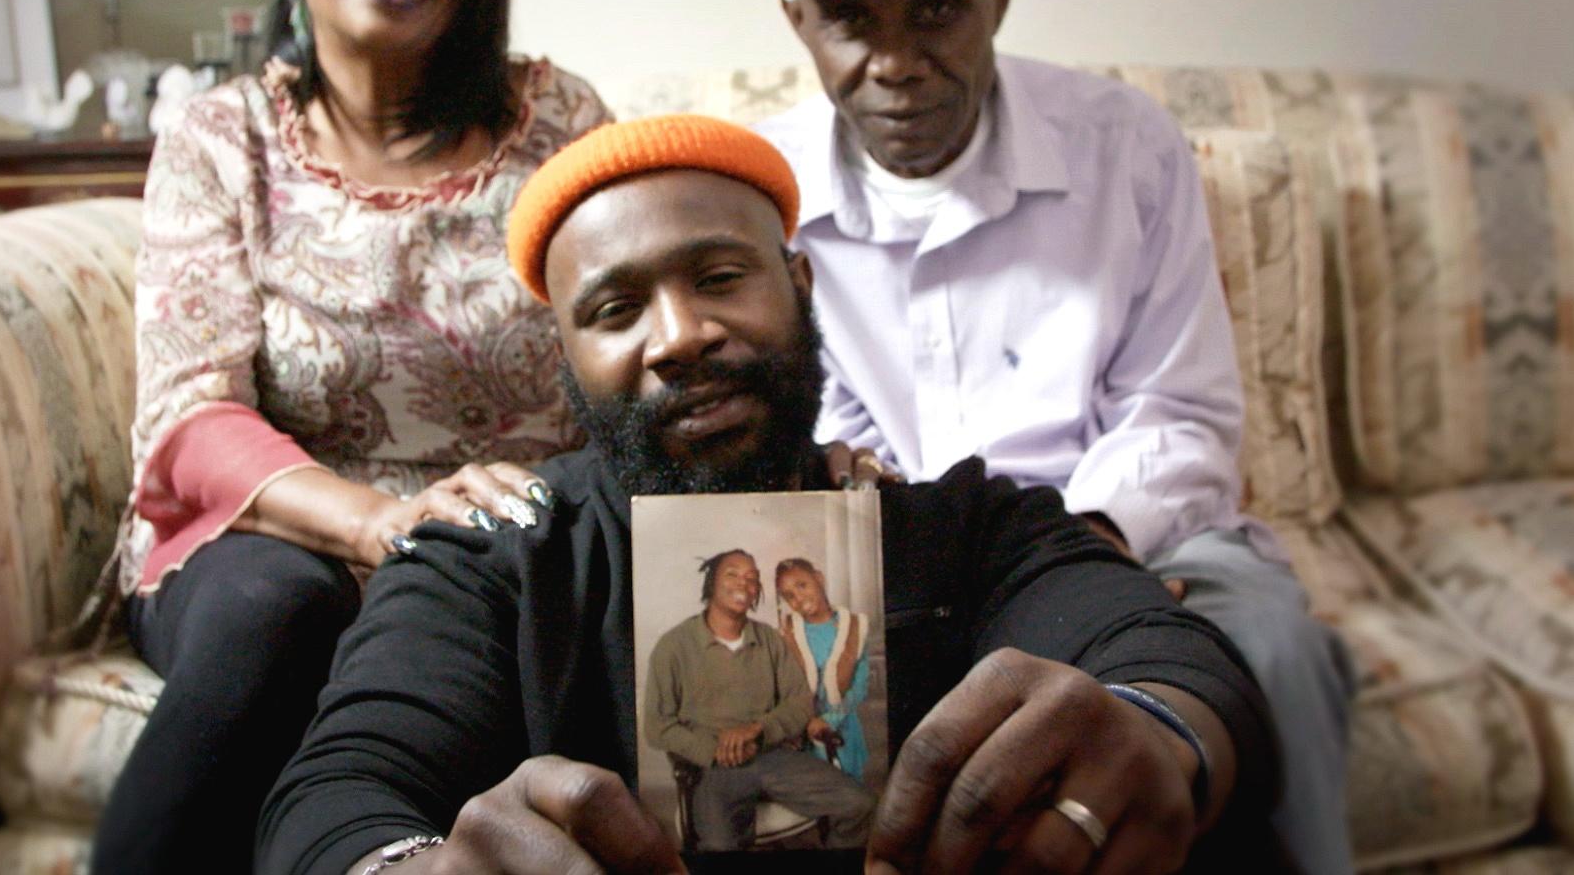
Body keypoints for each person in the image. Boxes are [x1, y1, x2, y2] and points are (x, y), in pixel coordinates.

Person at [258, 115, 1281, 875]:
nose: (679, 336)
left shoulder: (960, 527)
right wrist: (405, 869)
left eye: (718, 276)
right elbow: (338, 793)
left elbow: (1166, 655)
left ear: (799, 285)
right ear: (562, 358)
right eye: (616, 309)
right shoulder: (495, 553)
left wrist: (1156, 730)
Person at [754, 0, 1358, 875]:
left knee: (1273, 654)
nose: (895, 62)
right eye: (852, 18)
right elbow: (812, 434)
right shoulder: (760, 193)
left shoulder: (1124, 147)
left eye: (936, 9)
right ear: (795, 20)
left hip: (1141, 539)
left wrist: (1086, 558)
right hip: (900, 565)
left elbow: (1180, 410)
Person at [90, 0, 613, 872]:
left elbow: (624, 320)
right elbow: (191, 415)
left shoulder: (557, 119)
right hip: (278, 539)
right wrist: (379, 523)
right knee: (278, 605)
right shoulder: (221, 134)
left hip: (501, 546)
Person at [645, 549, 875, 851]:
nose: (745, 583)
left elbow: (800, 702)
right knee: (719, 846)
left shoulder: (769, 640)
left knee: (859, 804)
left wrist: (756, 730)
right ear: (712, 581)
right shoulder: (673, 646)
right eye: (733, 574)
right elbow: (657, 725)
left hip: (773, 756)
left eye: (752, 579)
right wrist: (714, 750)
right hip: (713, 769)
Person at [773, 557, 871, 783]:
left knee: (849, 793)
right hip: (802, 729)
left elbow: (860, 685)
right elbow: (783, 685)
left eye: (802, 585)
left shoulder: (855, 626)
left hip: (842, 726)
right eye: (789, 596)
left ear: (819, 579)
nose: (798, 598)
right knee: (816, 793)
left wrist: (831, 719)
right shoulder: (787, 633)